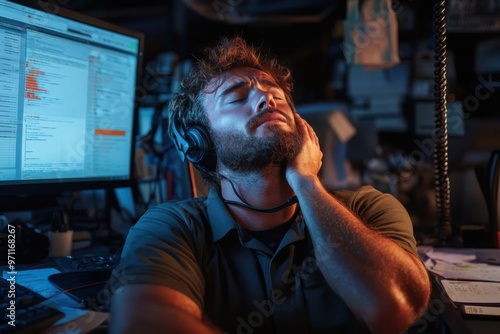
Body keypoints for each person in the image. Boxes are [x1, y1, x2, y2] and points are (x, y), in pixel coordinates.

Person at [107, 36, 431, 334]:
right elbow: (145, 323)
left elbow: (397, 308)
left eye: (275, 92)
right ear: (199, 143)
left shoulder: (367, 209)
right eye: (237, 97)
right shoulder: (172, 227)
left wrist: (306, 184)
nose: (266, 98)